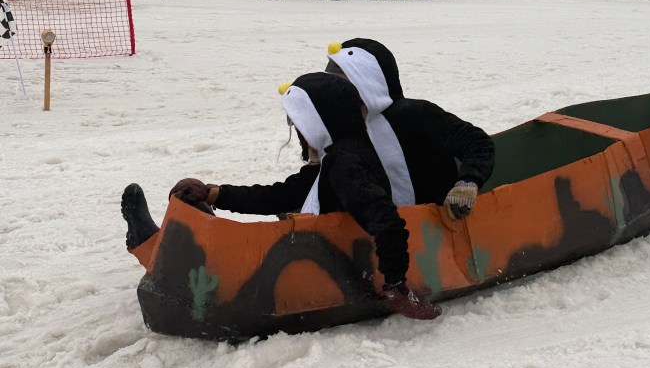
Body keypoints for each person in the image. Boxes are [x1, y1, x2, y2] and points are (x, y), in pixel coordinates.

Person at [122, 72, 440, 320]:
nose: (294, 131)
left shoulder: (346, 166)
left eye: (297, 122)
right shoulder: (339, 155)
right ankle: (162, 243)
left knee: (233, 256)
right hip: (320, 246)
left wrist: (396, 286)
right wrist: (216, 193)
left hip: (326, 260)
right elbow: (281, 194)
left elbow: (387, 220)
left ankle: (165, 248)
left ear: (319, 122)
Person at [325, 38, 495, 218]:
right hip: (386, 234)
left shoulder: (415, 114)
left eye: (343, 82)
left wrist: (467, 183)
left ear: (366, 80)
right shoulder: (343, 130)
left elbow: (478, 143)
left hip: (439, 226)